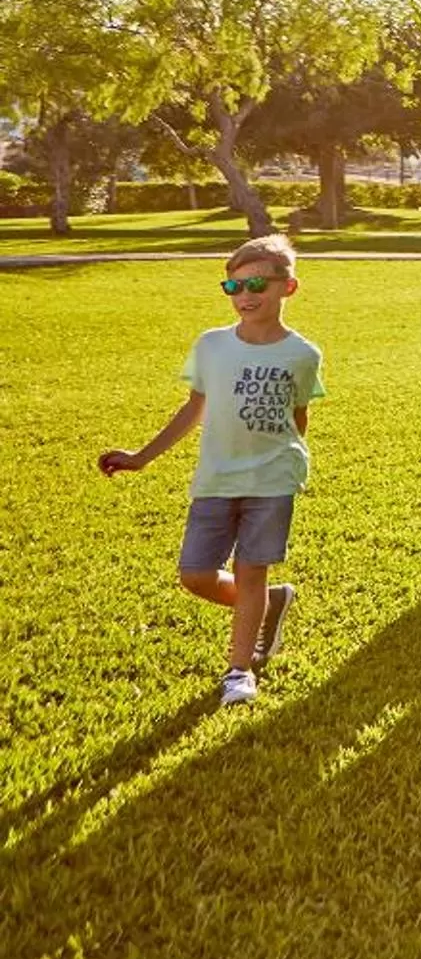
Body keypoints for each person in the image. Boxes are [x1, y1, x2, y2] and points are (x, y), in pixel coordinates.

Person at [97, 235, 326, 708]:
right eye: (233, 285)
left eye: (257, 283)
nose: (245, 295)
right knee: (196, 574)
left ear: (289, 287)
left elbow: (298, 415)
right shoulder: (212, 346)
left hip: (272, 478)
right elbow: (193, 409)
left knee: (251, 570)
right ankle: (270, 604)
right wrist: (142, 456)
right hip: (217, 478)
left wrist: (288, 458)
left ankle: (238, 671)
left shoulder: (303, 354)